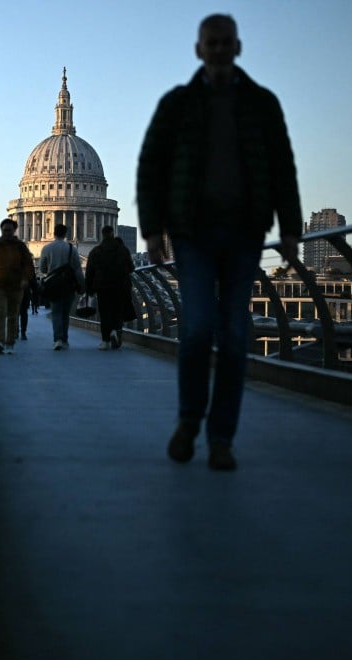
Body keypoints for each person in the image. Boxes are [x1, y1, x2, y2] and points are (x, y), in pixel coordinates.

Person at [136, 13, 302, 471]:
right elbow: (152, 168)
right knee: (195, 330)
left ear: (238, 46)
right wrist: (153, 229)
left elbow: (282, 169)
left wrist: (291, 229)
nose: (219, 49)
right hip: (192, 234)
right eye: (212, 42)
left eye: (226, 42)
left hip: (246, 233)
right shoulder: (177, 104)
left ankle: (221, 437)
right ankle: (190, 420)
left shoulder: (262, 104)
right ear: (199, 48)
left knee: (233, 337)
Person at [0, 218, 34, 354]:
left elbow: (28, 265)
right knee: (0, 313)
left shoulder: (21, 247)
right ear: (1, 230)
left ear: (14, 231)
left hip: (16, 286)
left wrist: (25, 279)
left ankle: (10, 342)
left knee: (13, 315)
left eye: (9, 230)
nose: (6, 232)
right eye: (5, 230)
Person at [85, 225, 135, 350]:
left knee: (104, 312)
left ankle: (105, 340)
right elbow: (131, 268)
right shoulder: (123, 250)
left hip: (102, 286)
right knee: (118, 311)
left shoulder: (96, 251)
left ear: (102, 234)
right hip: (120, 285)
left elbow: (89, 272)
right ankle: (115, 331)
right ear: (113, 234)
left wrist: (89, 288)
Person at [39, 223, 85, 350]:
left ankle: (58, 338)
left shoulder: (47, 248)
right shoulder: (71, 248)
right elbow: (77, 269)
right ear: (65, 234)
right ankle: (64, 339)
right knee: (65, 313)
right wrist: (82, 285)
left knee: (56, 312)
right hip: (68, 285)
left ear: (54, 233)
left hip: (54, 285)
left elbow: (42, 268)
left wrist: (50, 269)